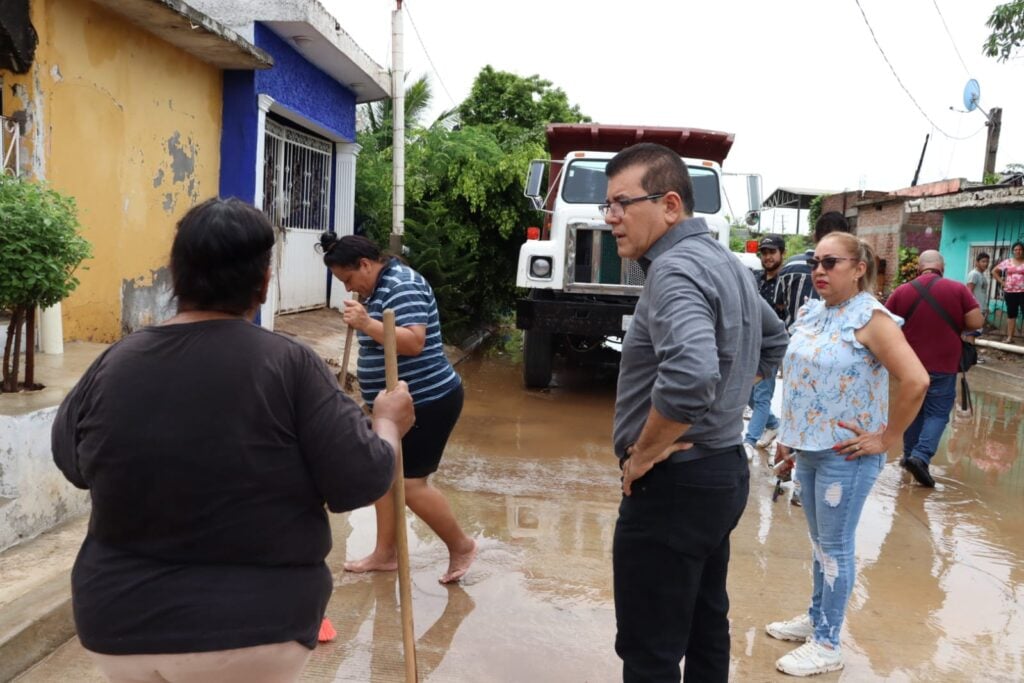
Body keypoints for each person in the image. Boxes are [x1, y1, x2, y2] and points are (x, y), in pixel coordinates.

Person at [52, 198, 414, 683]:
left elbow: (74, 465)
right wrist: (388, 422)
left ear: (175, 276)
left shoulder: (114, 362)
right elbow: (362, 480)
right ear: (263, 284)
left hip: (118, 626)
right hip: (255, 633)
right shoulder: (290, 365)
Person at [606, 143, 788, 682]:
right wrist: (729, 397)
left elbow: (689, 379)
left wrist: (645, 452)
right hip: (720, 473)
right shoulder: (723, 264)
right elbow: (774, 341)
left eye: (621, 203)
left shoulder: (674, 270)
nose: (611, 218)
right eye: (607, 207)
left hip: (675, 485)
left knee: (650, 650)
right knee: (706, 625)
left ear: (668, 205)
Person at [768, 232, 929, 677]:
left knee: (836, 548)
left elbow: (916, 381)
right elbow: (799, 379)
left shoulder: (872, 319)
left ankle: (827, 643)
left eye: (832, 262)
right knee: (820, 545)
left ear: (859, 268)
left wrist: (887, 437)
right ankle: (816, 616)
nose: (819, 270)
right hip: (811, 447)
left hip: (847, 456)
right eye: (815, 261)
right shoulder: (813, 312)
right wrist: (789, 434)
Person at [320, 233, 477, 584]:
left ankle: (462, 545)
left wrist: (366, 323)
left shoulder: (401, 285)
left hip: (427, 401)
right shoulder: (374, 289)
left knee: (410, 484)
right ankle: (385, 553)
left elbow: (413, 342)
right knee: (384, 478)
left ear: (365, 264)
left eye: (348, 279)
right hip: (391, 407)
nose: (349, 289)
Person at [885, 250, 983, 487]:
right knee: (937, 413)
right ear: (943, 267)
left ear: (919, 268)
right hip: (944, 364)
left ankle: (909, 456)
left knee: (914, 411)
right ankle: (920, 456)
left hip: (909, 365)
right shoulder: (958, 289)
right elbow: (976, 322)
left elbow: (885, 324)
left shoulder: (902, 291)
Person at [743, 234, 787, 460]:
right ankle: (773, 423)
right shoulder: (755, 279)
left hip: (770, 349)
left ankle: (748, 442)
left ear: (782, 254)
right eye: (764, 253)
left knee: (761, 396)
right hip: (750, 345)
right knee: (746, 392)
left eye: (772, 252)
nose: (768, 257)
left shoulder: (786, 282)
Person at [775, 211, 853, 330]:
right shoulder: (849, 271)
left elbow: (779, 307)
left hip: (791, 340)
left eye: (829, 263)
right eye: (815, 264)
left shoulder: (790, 266)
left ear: (814, 236)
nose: (819, 271)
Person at [993, 241, 1024, 344]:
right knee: (1011, 314)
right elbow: (994, 271)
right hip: (1010, 292)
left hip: (1023, 292)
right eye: (1015, 250)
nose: (1018, 251)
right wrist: (1002, 282)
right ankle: (1010, 337)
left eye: (1020, 249)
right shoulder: (1008, 262)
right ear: (1013, 251)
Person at [965, 251, 991, 329]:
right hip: (975, 309)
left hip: (981, 308)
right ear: (977, 262)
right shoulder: (974, 274)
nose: (986, 264)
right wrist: (973, 308)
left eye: (987, 262)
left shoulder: (981, 275)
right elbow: (969, 292)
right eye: (983, 261)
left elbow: (981, 293)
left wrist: (985, 307)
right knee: (972, 332)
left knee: (976, 332)